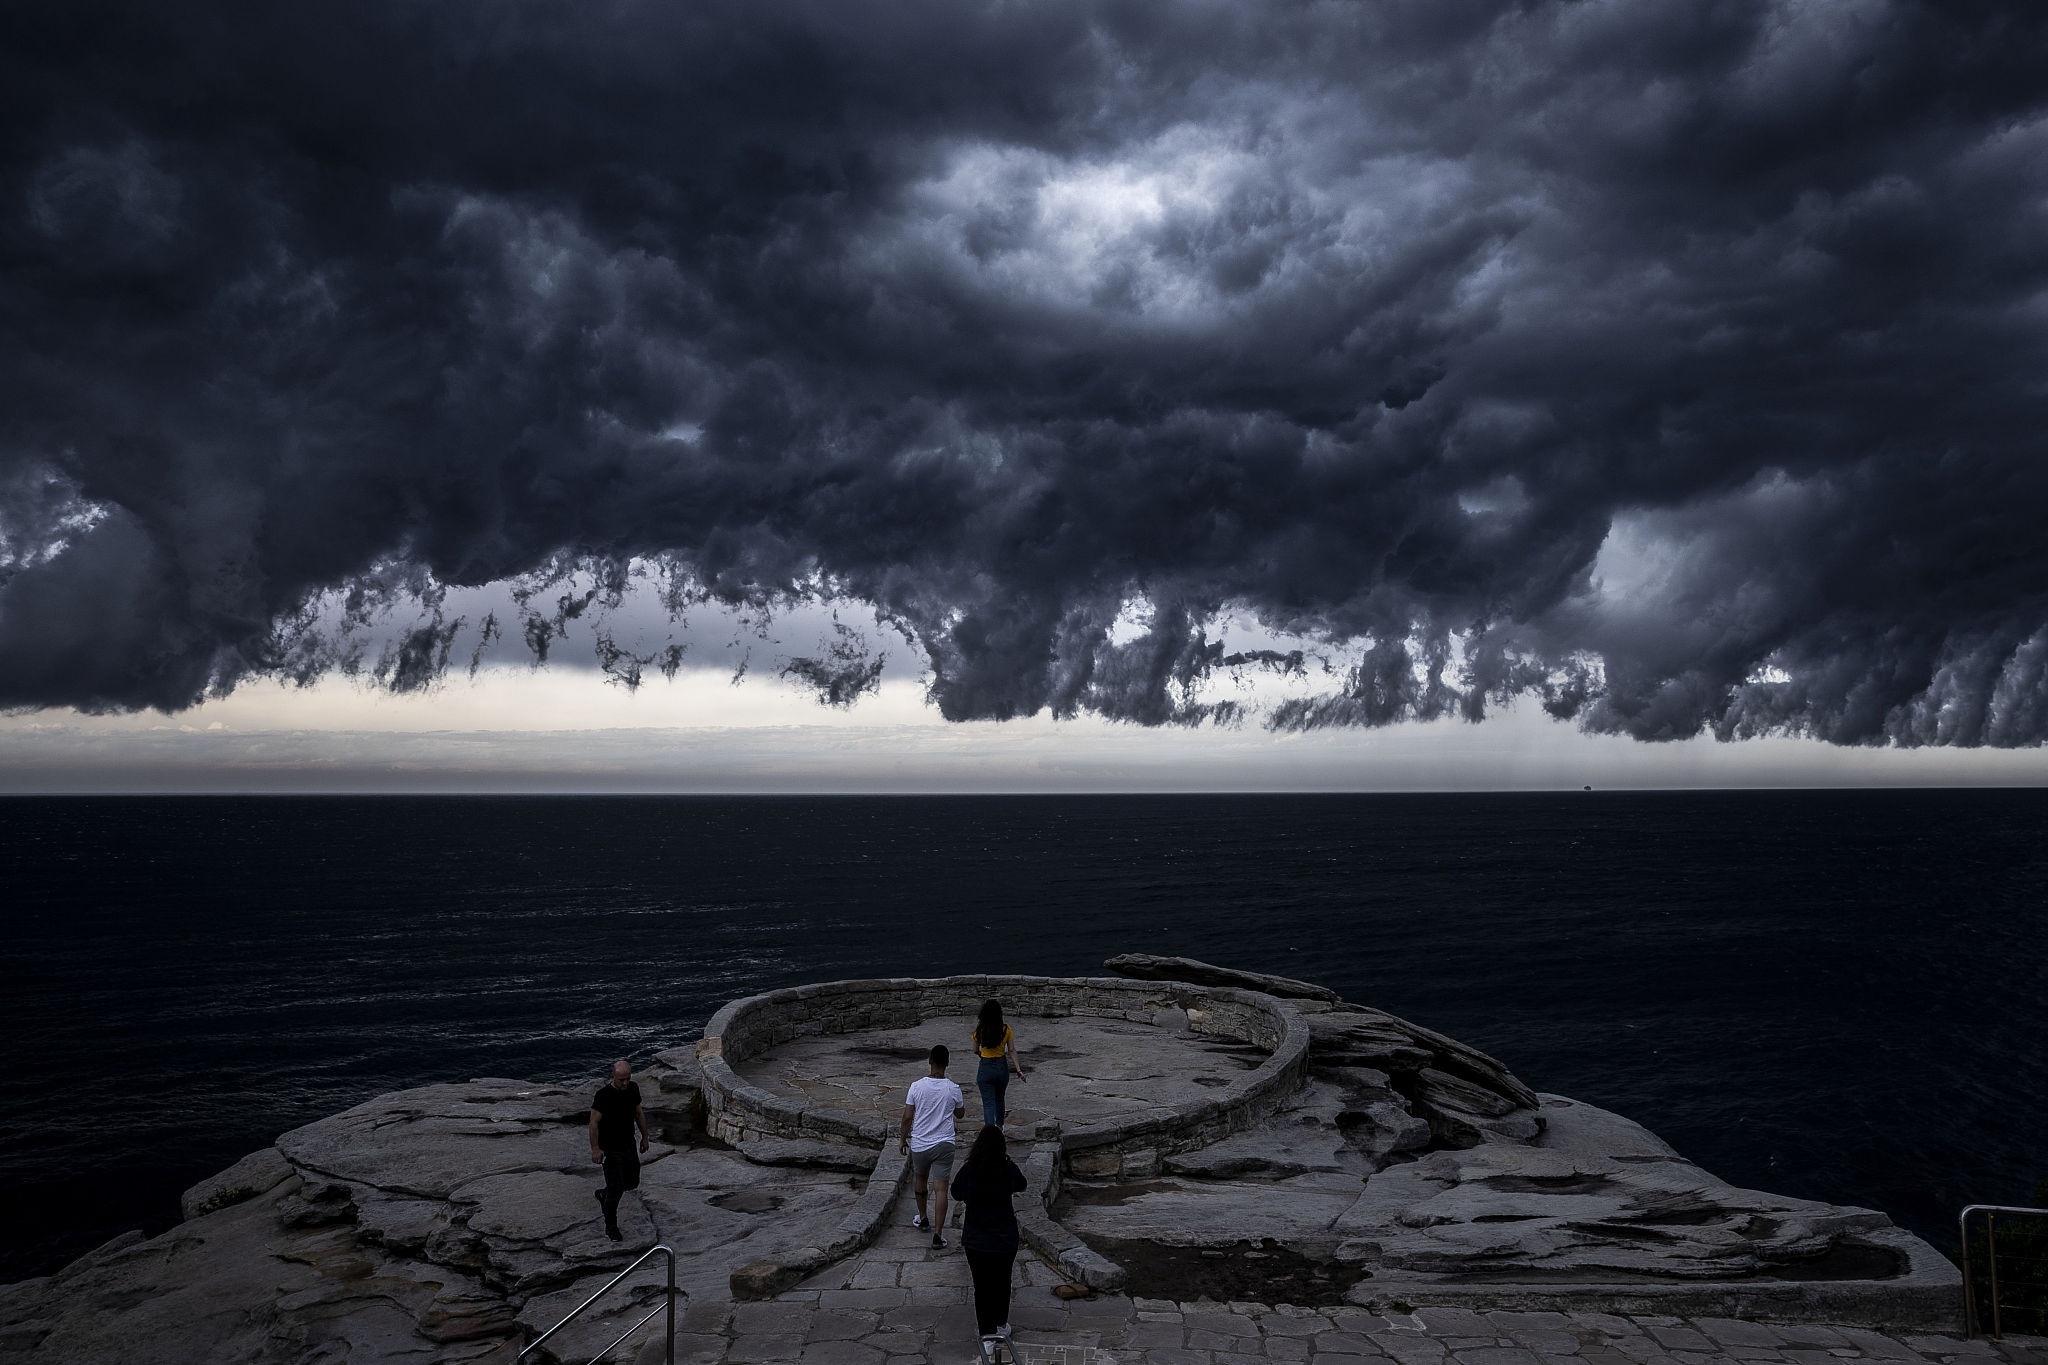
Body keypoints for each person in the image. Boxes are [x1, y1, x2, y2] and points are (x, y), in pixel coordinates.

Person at [950, 1125, 1029, 1353]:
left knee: (981, 1287)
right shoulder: (1007, 1168)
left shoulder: (969, 1169)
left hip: (976, 1239)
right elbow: (1022, 1184)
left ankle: (987, 1336)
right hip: (1004, 1237)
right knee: (1003, 1282)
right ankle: (1001, 1324)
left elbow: (956, 1192)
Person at [899, 1043, 964, 1249]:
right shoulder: (953, 1088)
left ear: (929, 1061)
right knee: (941, 1188)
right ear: (948, 1063)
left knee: (920, 1179)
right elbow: (961, 1114)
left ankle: (923, 1217)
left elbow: (907, 1117)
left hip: (920, 1143)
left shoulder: (916, 1086)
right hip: (944, 1143)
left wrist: (902, 1139)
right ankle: (938, 1234)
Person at [588, 1058, 649, 1242]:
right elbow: (593, 1123)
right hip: (610, 1149)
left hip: (628, 1144)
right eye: (621, 1079)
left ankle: (603, 1194)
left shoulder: (633, 1089)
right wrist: (595, 1148)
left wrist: (645, 1137)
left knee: (631, 1182)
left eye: (628, 1078)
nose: (625, 1083)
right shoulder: (603, 1095)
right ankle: (611, 1228)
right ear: (612, 1076)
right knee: (616, 1190)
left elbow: (638, 1112)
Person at [971, 999, 1026, 1129]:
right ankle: (1000, 1126)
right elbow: (1011, 1050)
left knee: (988, 1102)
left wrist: (980, 1053)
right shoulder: (1006, 1029)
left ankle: (990, 1131)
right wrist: (1018, 1069)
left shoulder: (979, 1031)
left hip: (986, 1066)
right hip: (1001, 1067)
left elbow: (974, 1050)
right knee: (1000, 1099)